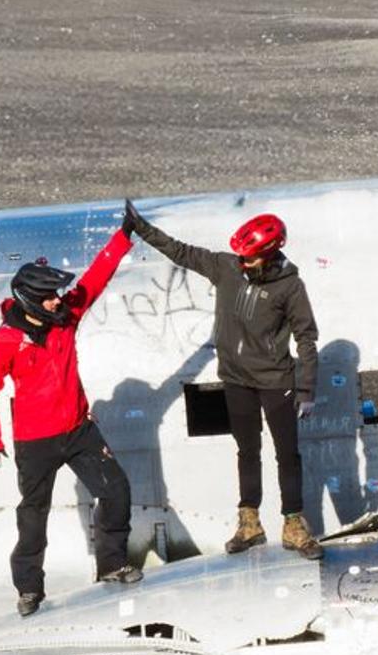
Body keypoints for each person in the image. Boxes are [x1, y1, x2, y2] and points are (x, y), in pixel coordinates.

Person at [121, 198, 321, 556]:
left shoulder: (290, 287)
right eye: (241, 257)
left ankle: (293, 524)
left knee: (287, 454)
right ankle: (249, 524)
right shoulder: (226, 267)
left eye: (250, 258)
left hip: (276, 381)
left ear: (270, 255)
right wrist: (142, 228)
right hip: (236, 379)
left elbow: (306, 337)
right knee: (247, 451)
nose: (243, 263)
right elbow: (181, 252)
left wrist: (306, 389)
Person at [0, 223, 140, 615]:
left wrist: (123, 237)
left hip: (79, 430)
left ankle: (112, 564)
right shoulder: (8, 340)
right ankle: (29, 589)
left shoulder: (67, 317)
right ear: (30, 301)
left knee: (116, 490)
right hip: (35, 441)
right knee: (33, 516)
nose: (57, 301)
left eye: (56, 295)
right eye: (48, 297)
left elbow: (95, 280)